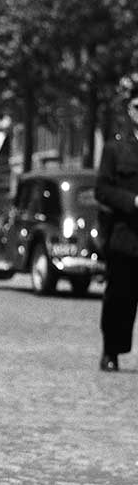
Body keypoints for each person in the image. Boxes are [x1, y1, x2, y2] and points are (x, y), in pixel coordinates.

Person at [95, 72, 138, 372]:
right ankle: (111, 350)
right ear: (132, 110)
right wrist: (132, 202)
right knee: (119, 300)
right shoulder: (115, 148)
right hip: (126, 237)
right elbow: (102, 189)